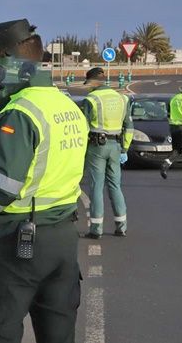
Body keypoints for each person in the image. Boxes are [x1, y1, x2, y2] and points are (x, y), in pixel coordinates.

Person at [0, 19, 88, 343]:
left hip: (17, 241)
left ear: (12, 62)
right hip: (62, 238)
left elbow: (1, 192)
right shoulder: (66, 106)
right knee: (59, 333)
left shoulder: (20, 113)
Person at [80, 67, 133, 239]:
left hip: (97, 146)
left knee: (96, 187)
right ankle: (121, 226)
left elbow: (84, 128)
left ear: (94, 82)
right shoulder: (122, 98)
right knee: (115, 185)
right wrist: (124, 148)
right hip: (116, 146)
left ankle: (96, 229)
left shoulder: (92, 99)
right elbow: (129, 127)